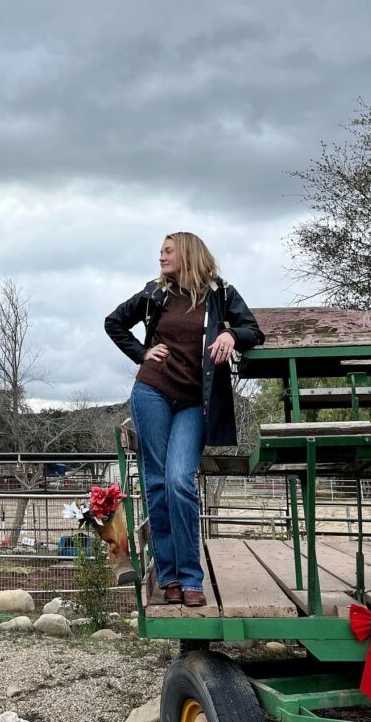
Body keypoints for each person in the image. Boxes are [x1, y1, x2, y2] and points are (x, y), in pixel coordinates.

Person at [104, 231, 263, 607]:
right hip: (152, 393)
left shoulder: (221, 294)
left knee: (179, 481)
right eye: (159, 251)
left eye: (168, 251)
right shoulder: (154, 293)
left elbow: (253, 330)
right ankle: (171, 577)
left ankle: (192, 576)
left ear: (188, 254)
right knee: (156, 483)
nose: (160, 256)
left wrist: (231, 335)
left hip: (195, 403)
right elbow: (114, 322)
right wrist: (142, 353)